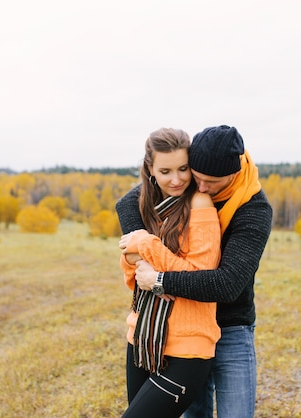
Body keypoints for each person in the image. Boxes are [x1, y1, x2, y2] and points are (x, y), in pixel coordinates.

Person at [116, 125, 273, 418]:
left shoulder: (253, 209)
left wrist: (158, 277)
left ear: (235, 172)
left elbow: (226, 284)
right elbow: (128, 202)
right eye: (196, 178)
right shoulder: (186, 181)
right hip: (178, 323)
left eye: (210, 182)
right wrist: (136, 246)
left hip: (230, 326)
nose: (199, 188)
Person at [117, 127, 222, 418]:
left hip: (187, 348)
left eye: (183, 169)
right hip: (142, 337)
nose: (176, 180)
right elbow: (135, 281)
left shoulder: (199, 205)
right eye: (165, 171)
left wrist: (145, 245)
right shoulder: (145, 206)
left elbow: (200, 276)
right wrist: (135, 258)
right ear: (150, 169)